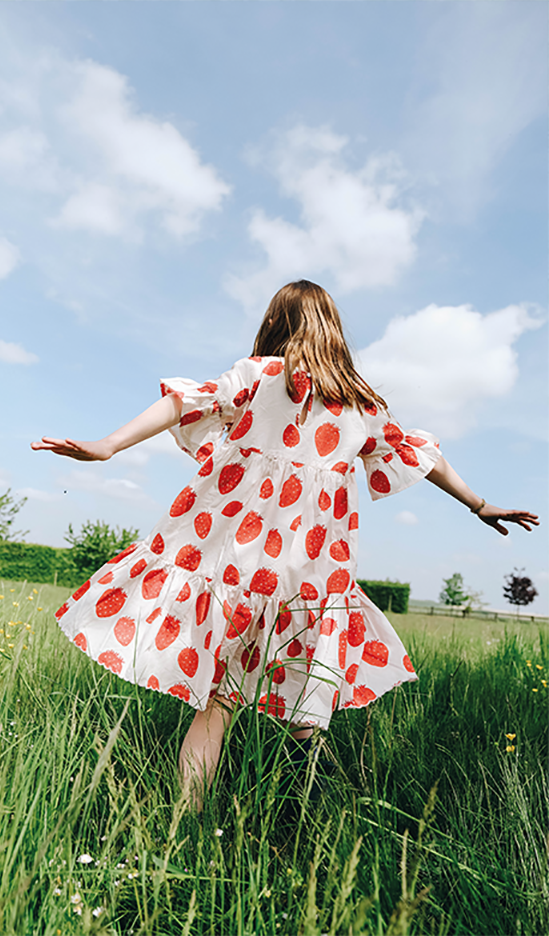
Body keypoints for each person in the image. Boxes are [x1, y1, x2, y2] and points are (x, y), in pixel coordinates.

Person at [32, 280, 539, 810]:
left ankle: (188, 821)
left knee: (217, 705)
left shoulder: (257, 376)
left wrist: (109, 445)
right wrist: (479, 504)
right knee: (305, 714)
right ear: (334, 333)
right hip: (311, 582)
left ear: (275, 324)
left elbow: (184, 403)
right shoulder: (363, 406)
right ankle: (306, 825)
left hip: (239, 570)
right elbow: (420, 457)